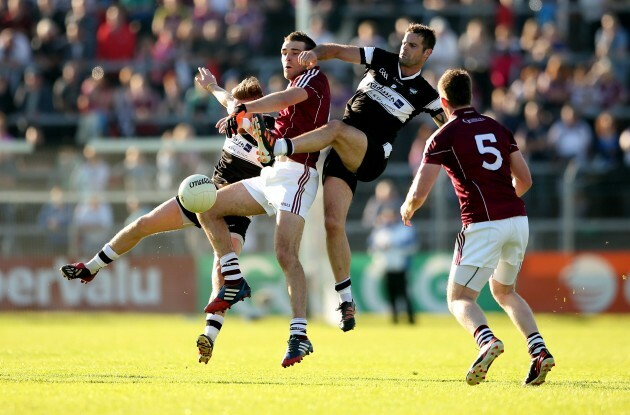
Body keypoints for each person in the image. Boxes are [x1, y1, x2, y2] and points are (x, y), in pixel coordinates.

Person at [233, 23, 446, 332]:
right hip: (344, 152)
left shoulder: (426, 93)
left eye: (413, 45)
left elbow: (451, 124)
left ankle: (277, 147)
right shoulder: (381, 59)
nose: (404, 48)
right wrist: (314, 53)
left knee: (333, 130)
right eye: (404, 42)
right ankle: (346, 299)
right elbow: (334, 51)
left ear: (427, 53)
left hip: (372, 153)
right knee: (333, 223)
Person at [60, 74, 270, 365]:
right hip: (204, 198)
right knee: (142, 224)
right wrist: (210, 85)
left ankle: (208, 336)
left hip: (237, 213)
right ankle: (91, 266)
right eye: (236, 107)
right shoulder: (235, 113)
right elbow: (224, 97)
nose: (235, 111)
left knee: (222, 271)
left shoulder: (270, 130)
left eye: (242, 107)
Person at [400, 69, 555, 386]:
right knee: (505, 291)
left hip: (483, 224)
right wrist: (504, 202)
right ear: (471, 96)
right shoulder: (498, 128)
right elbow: (524, 179)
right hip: (518, 220)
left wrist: (408, 207)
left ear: (444, 101)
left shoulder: (442, 136)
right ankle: (538, 349)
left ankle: (487, 341)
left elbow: (420, 190)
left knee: (459, 298)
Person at [197, 31, 330, 368]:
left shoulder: (315, 79)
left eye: (296, 52)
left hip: (297, 175)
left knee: (285, 254)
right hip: (270, 176)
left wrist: (245, 108)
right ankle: (234, 278)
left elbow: (283, 99)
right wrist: (214, 87)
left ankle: (299, 332)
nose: (289, 57)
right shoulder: (273, 106)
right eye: (284, 51)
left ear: (310, 56)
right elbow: (233, 102)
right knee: (207, 206)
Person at [367, 207, 416, 324]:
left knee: (404, 294)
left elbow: (412, 246)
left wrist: (394, 246)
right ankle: (394, 319)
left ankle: (410, 319)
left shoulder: (404, 229)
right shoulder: (379, 231)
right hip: (386, 267)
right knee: (390, 294)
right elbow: (372, 247)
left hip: (400, 267)